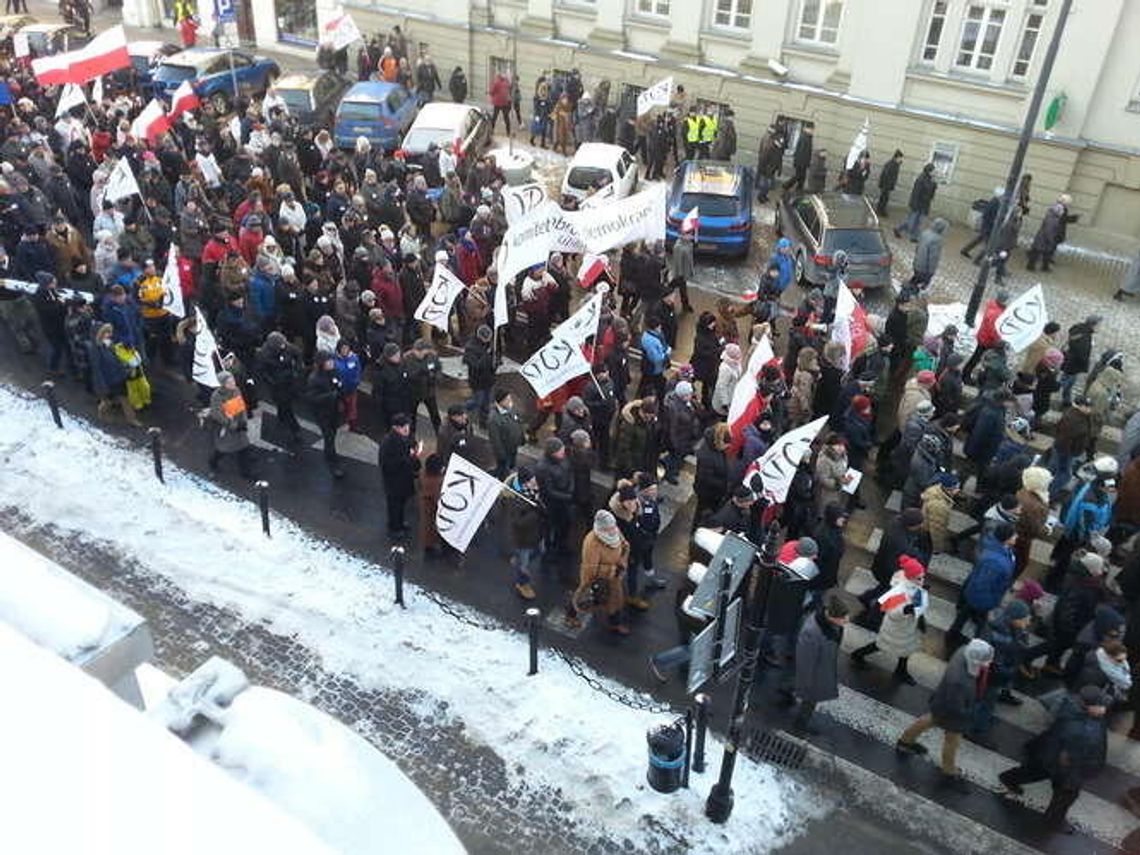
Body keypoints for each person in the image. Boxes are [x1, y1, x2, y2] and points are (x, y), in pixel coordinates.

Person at [999, 686, 1109, 833]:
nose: (1104, 708)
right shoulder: (1082, 728)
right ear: (1089, 706)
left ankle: (1009, 778)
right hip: (1067, 765)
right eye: (1101, 705)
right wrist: (1084, 770)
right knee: (1066, 795)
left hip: (1050, 755)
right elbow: (1075, 754)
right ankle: (1053, 822)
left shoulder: (1077, 712)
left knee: (1036, 771)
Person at [896, 639, 994, 792]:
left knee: (930, 719)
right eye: (984, 661)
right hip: (952, 711)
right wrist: (971, 713)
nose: (987, 664)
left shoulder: (963, 650)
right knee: (952, 740)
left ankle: (905, 741)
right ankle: (949, 770)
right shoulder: (960, 682)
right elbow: (957, 708)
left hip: (942, 700)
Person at [851, 555, 927, 685]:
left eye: (923, 577)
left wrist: (919, 615)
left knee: (905, 648)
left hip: (908, 627)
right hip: (896, 627)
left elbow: (919, 602)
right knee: (882, 644)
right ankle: (858, 654)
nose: (922, 581)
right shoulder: (898, 592)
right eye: (919, 578)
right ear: (910, 578)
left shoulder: (913, 586)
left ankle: (901, 670)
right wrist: (906, 610)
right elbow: (892, 612)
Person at [782, 593, 849, 734]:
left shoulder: (831, 624)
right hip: (814, 672)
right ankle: (801, 723)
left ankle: (786, 692)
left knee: (795, 683)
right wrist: (807, 683)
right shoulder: (811, 633)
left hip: (821, 664)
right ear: (831, 616)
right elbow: (805, 661)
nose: (846, 620)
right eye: (842, 618)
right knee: (811, 700)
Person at [947, 522, 1017, 645]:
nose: (1016, 536)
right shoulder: (995, 562)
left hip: (981, 595)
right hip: (984, 598)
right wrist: (989, 603)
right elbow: (983, 584)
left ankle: (953, 634)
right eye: (1013, 535)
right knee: (981, 624)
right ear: (1006, 539)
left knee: (965, 613)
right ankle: (972, 644)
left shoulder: (1001, 551)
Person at [566, 509, 631, 635]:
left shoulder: (614, 530)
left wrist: (623, 556)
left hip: (614, 575)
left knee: (616, 600)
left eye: (614, 526)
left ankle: (615, 623)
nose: (614, 530)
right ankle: (571, 615)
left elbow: (623, 544)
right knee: (582, 596)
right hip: (593, 577)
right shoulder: (592, 542)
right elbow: (591, 567)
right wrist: (612, 570)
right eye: (610, 528)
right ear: (602, 529)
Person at [378, 413, 421, 538]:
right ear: (395, 428)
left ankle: (400, 523)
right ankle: (394, 528)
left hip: (403, 479)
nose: (407, 429)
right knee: (394, 505)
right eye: (403, 427)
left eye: (407, 426)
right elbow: (388, 464)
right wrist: (410, 457)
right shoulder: (389, 443)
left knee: (401, 503)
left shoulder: (403, 438)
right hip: (394, 481)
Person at [305, 351, 345, 478]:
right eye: (328, 361)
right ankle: (332, 464)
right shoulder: (314, 379)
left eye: (332, 360)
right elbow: (312, 398)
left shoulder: (334, 372)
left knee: (332, 434)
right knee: (328, 437)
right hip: (322, 413)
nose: (332, 363)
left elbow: (339, 385)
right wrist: (330, 396)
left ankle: (331, 453)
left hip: (334, 410)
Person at [506, 467, 544, 600]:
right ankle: (522, 584)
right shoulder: (516, 498)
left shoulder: (532, 492)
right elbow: (517, 522)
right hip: (523, 539)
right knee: (524, 565)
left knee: (539, 551)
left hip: (535, 533)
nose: (536, 483)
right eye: (533, 481)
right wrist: (535, 513)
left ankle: (518, 559)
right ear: (525, 483)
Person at [207, 371, 253, 478]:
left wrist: (243, 420)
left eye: (233, 380)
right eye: (229, 382)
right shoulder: (216, 397)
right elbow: (217, 414)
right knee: (224, 449)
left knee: (243, 448)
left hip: (238, 424)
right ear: (223, 384)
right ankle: (213, 461)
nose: (233, 383)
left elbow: (241, 406)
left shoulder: (236, 390)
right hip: (227, 428)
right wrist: (233, 425)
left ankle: (245, 472)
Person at [1027, 194, 1077, 273]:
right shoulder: (1055, 215)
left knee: (1043, 251)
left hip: (1047, 235)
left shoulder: (1054, 212)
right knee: (1039, 251)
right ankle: (1033, 266)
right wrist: (1051, 238)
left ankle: (1041, 266)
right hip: (1047, 235)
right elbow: (1050, 227)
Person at [1059, 315, 1101, 408]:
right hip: (1074, 365)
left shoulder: (1079, 329)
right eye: (1098, 325)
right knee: (1066, 382)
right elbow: (1081, 353)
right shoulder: (1085, 336)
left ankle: (1066, 400)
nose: (1100, 327)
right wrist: (1085, 363)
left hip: (1070, 361)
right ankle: (1047, 391)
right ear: (1093, 325)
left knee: (1070, 382)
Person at [488, 388, 525, 479]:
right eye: (507, 400)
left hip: (513, 447)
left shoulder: (510, 409)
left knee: (511, 466)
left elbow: (518, 422)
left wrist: (522, 437)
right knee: (504, 471)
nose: (510, 401)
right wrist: (501, 455)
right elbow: (495, 440)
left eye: (510, 399)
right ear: (501, 401)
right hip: (504, 451)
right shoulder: (494, 419)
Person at [896, 163, 937, 241]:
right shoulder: (921, 179)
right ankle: (898, 229)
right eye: (933, 171)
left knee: (919, 222)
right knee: (911, 222)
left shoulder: (931, 180)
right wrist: (914, 204)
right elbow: (916, 192)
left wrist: (934, 184)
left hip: (925, 205)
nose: (935, 173)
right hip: (918, 204)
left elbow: (931, 194)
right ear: (929, 171)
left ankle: (914, 237)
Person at [961, 187, 1004, 261]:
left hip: (987, 226)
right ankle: (977, 260)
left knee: (979, 239)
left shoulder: (995, 201)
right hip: (988, 226)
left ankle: (965, 250)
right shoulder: (995, 203)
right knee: (989, 245)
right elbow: (988, 215)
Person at [910, 218, 947, 288]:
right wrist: (931, 272)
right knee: (920, 285)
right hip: (925, 269)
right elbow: (933, 258)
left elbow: (917, 248)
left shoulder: (925, 233)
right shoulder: (937, 240)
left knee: (915, 280)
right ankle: (906, 295)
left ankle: (906, 292)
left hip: (917, 264)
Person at [876, 149, 903, 216]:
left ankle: (880, 210)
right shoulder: (891, 164)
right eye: (900, 158)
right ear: (897, 157)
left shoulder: (894, 164)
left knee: (884, 199)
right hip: (886, 185)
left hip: (887, 185)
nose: (901, 160)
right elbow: (887, 175)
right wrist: (887, 185)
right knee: (884, 199)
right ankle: (880, 211)